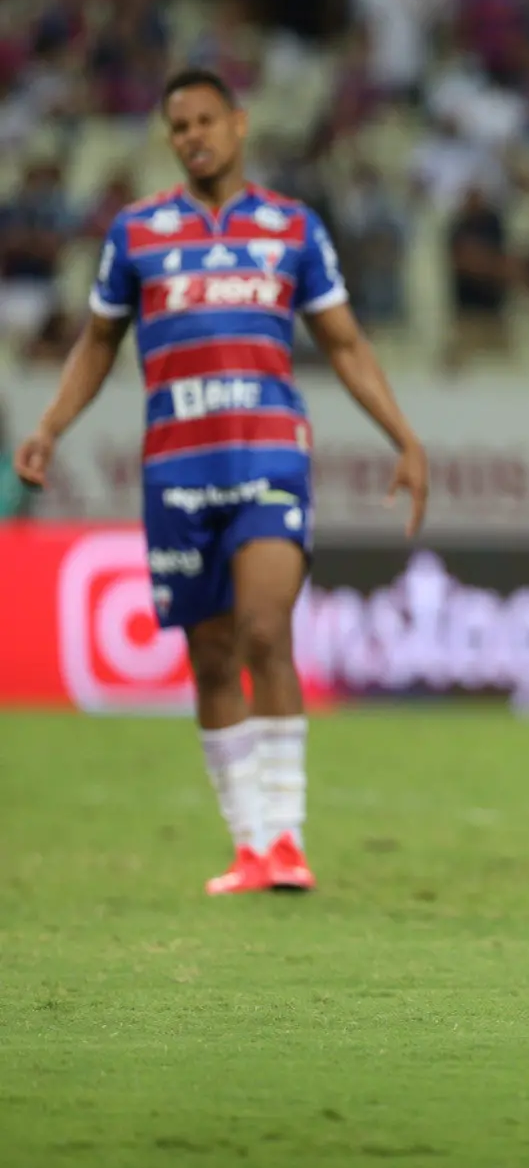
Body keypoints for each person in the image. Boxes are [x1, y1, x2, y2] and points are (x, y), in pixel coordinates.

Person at [11, 68, 429, 896]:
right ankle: (248, 842)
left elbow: (343, 343)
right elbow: (98, 343)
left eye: (206, 119)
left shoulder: (292, 228)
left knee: (266, 632)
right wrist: (51, 425)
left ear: (239, 126)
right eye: (179, 125)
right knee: (208, 656)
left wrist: (404, 438)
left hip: (269, 455)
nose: (194, 134)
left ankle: (288, 838)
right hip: (177, 466)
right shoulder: (135, 233)